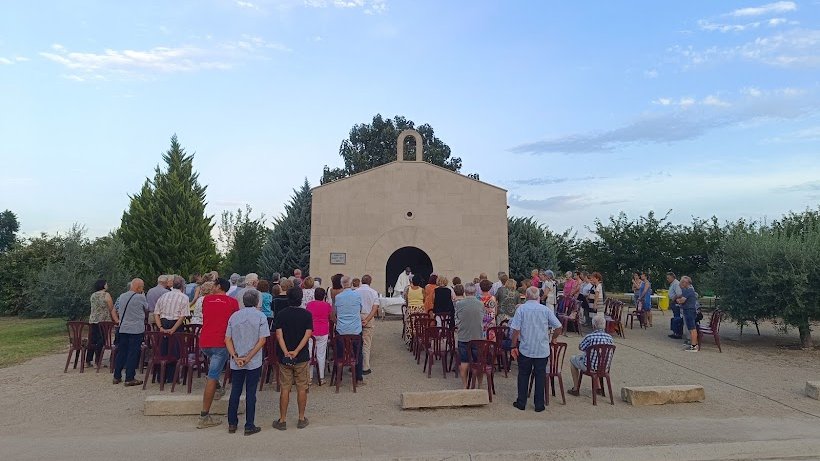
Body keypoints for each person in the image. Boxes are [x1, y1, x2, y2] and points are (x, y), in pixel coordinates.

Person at [510, 286, 563, 412]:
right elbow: (558, 326)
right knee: (540, 376)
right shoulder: (545, 310)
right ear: (538, 296)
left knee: (523, 375)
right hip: (542, 348)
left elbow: (516, 330)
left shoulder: (521, 309)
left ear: (526, 296)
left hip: (526, 347)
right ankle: (539, 404)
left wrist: (513, 345)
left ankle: (521, 402)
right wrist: (553, 338)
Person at [197, 278, 239, 429]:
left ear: (219, 286)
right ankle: (204, 415)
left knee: (214, 367)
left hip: (205, 341)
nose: (212, 287)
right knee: (213, 374)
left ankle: (218, 387)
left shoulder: (206, 300)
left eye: (214, 285)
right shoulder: (232, 302)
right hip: (221, 342)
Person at [225, 289, 268, 436]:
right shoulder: (261, 316)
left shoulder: (234, 316)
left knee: (235, 391)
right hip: (253, 360)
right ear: (257, 302)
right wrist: (249, 357)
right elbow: (262, 340)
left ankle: (232, 423)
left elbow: (227, 339)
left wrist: (235, 356)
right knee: (251, 392)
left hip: (237, 359)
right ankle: (249, 425)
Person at [273, 287, 313, 430]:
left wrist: (286, 351)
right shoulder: (307, 315)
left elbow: (279, 335)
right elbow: (307, 334)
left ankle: (282, 419)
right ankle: (301, 418)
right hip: (301, 356)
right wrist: (296, 351)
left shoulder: (281, 314)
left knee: (285, 388)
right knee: (302, 388)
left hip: (285, 357)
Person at [153, 275, 190, 381]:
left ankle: (161, 376)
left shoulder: (164, 296)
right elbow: (182, 316)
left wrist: (160, 326)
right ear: (182, 286)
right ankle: (172, 377)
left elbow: (156, 313)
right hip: (176, 323)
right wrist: (174, 328)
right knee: (175, 350)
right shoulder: (184, 297)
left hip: (163, 322)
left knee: (163, 350)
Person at [568, 314, 614, 397]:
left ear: (594, 326)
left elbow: (581, 347)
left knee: (573, 359)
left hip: (590, 367)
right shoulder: (610, 338)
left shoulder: (590, 337)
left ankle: (575, 388)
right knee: (596, 359)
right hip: (604, 367)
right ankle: (598, 387)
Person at [113, 278, 147, 387]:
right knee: (132, 353)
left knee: (121, 352)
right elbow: (147, 308)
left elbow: (116, 309)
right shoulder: (140, 297)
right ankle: (129, 377)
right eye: (142, 287)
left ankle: (116, 376)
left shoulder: (122, 296)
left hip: (123, 328)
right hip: (135, 329)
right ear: (138, 287)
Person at [333, 276, 365, 384]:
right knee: (358, 353)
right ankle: (358, 377)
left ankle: (339, 377)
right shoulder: (357, 295)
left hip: (341, 329)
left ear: (342, 285)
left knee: (339, 353)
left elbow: (336, 312)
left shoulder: (338, 297)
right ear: (351, 284)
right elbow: (360, 309)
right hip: (355, 329)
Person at [455, 282, 486, 389]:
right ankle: (480, 385)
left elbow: (457, 319)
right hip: (477, 336)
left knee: (464, 362)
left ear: (465, 292)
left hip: (464, 336)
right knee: (478, 362)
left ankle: (464, 386)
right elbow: (483, 318)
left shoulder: (459, 304)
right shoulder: (480, 304)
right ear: (475, 292)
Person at [86, 279, 119, 367]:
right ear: (103, 285)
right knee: (101, 340)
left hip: (93, 319)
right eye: (106, 284)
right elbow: (111, 307)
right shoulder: (106, 295)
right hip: (104, 321)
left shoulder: (93, 295)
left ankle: (88, 359)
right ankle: (98, 360)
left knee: (93, 340)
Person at [306, 287, 331, 385]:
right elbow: (329, 316)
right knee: (321, 354)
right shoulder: (327, 305)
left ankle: (309, 377)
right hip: (323, 330)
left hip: (311, 331)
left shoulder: (309, 305)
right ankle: (321, 377)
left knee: (310, 353)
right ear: (324, 296)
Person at [358, 275, 379, 375]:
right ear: (370, 282)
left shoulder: (356, 292)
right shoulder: (373, 292)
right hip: (368, 315)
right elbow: (375, 308)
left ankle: (357, 364)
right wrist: (367, 319)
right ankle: (365, 366)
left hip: (358, 315)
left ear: (362, 281)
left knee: (357, 341)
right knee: (367, 342)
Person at [676, 276, 700, 352]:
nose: (681, 283)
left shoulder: (688, 290)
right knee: (691, 328)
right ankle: (693, 344)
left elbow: (681, 301)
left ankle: (694, 346)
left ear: (686, 283)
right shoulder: (688, 290)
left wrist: (678, 300)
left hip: (689, 310)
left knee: (692, 328)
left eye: (682, 282)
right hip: (689, 310)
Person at [404, 275, 425, 346]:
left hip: (411, 310)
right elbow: (424, 300)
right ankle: (420, 342)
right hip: (420, 311)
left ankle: (410, 342)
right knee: (420, 326)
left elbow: (406, 300)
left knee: (410, 326)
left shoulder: (408, 289)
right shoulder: (422, 290)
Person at [667, 272, 683, 339]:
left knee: (677, 317)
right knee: (675, 316)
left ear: (673, 277)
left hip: (676, 302)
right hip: (674, 302)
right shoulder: (673, 283)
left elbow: (679, 293)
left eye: (668, 278)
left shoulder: (676, 284)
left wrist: (673, 298)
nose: (667, 279)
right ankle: (675, 332)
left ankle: (677, 333)